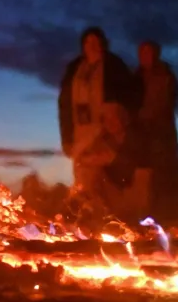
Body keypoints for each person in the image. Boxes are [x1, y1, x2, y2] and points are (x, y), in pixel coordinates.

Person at [58, 27, 141, 195]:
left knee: (104, 168)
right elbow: (64, 104)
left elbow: (130, 94)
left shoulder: (114, 65)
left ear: (103, 43)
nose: (92, 45)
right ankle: (86, 210)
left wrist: (118, 114)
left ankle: (107, 212)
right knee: (82, 168)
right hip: (80, 128)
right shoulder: (74, 68)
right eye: (88, 41)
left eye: (96, 41)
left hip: (106, 127)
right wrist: (66, 136)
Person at [135, 40, 178, 214]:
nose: (146, 56)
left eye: (149, 52)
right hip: (142, 132)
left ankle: (168, 212)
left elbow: (168, 101)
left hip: (162, 132)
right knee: (145, 173)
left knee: (164, 172)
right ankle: (145, 211)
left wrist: (153, 119)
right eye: (143, 52)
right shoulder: (136, 76)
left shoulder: (165, 75)